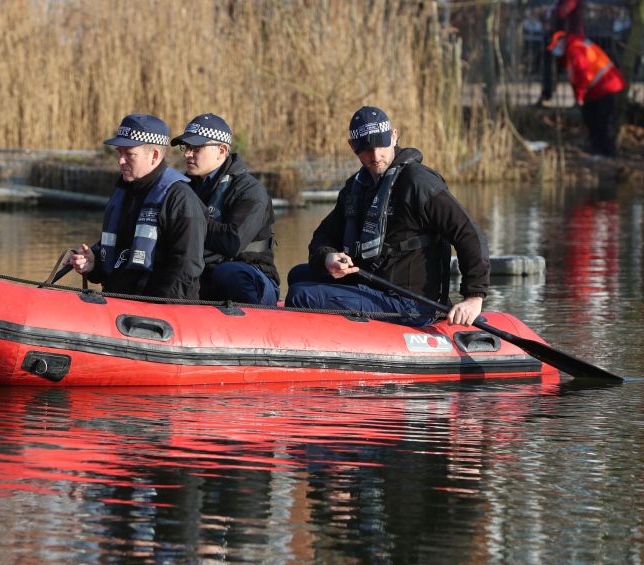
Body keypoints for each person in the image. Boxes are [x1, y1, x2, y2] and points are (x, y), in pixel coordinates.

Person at [285, 106, 489, 327]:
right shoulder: (355, 188)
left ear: (393, 136)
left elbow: (468, 232)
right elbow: (323, 236)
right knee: (298, 275)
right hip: (371, 287)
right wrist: (328, 258)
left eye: (381, 145)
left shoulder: (418, 182)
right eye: (366, 149)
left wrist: (473, 297)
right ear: (352, 146)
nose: (376, 156)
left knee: (301, 295)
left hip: (412, 303)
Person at [67, 114, 207, 300]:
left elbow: (186, 268)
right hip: (118, 305)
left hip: (158, 313)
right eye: (119, 152)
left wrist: (155, 313)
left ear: (155, 155)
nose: (121, 160)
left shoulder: (180, 199)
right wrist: (94, 264)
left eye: (129, 154)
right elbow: (120, 256)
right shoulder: (126, 192)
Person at [170, 113, 280, 305]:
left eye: (196, 148)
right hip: (204, 269)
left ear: (221, 150)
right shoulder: (183, 187)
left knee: (229, 275)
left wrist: (190, 220)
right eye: (186, 147)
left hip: (251, 274)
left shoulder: (250, 191)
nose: (187, 154)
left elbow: (232, 241)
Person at [548, 30, 627, 157]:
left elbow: (582, 74)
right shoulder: (575, 47)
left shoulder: (576, 50)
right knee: (593, 118)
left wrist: (579, 96)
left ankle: (607, 150)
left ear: (561, 43)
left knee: (603, 120)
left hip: (605, 86)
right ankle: (598, 147)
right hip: (599, 88)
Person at [538, 0, 585, 106]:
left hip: (569, 37)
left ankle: (579, 98)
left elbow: (563, 11)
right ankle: (547, 95)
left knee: (571, 68)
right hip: (561, 36)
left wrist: (547, 12)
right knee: (555, 67)